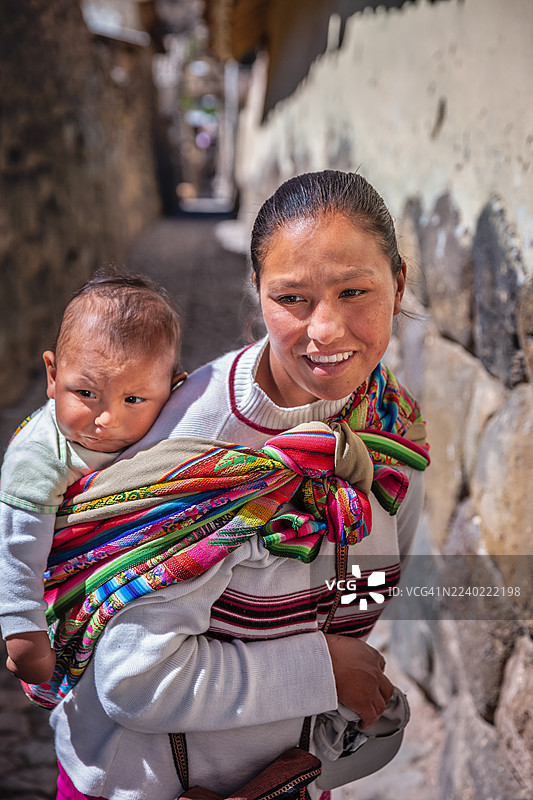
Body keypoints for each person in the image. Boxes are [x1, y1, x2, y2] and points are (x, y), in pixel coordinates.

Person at [43, 171, 428, 800]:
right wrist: (323, 671)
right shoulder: (194, 441)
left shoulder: (389, 438)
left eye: (355, 290)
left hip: (284, 784)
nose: (324, 330)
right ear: (257, 293)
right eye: (293, 298)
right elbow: (134, 681)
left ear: (399, 283)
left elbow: (367, 598)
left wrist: (338, 702)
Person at [0, 272, 186, 685]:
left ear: (174, 391)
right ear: (52, 376)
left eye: (133, 399)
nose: (106, 420)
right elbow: (16, 551)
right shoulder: (39, 457)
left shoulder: (173, 419)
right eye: (85, 393)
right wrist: (23, 633)